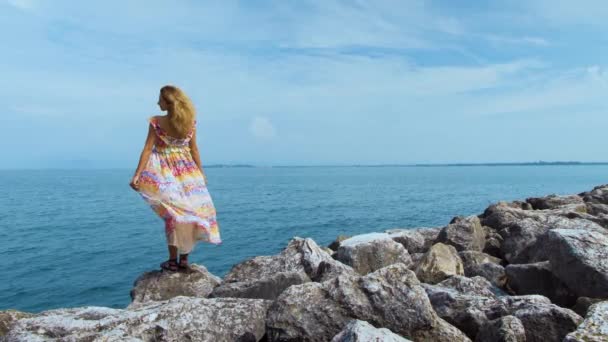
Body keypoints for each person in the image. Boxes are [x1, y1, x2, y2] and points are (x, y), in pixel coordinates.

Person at [129, 85, 222, 273]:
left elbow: (147, 149)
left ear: (168, 103)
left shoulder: (156, 121)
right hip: (188, 172)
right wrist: (201, 173)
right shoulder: (190, 121)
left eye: (160, 100)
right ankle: (183, 260)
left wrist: (137, 174)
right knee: (188, 213)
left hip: (165, 173)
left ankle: (173, 261)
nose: (157, 102)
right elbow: (193, 149)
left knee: (173, 215)